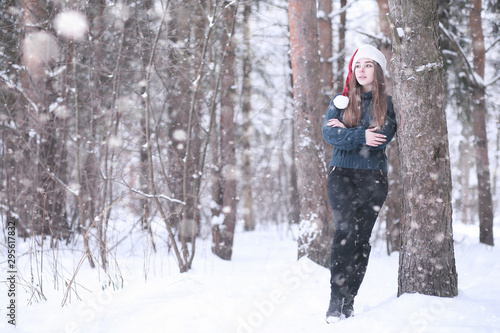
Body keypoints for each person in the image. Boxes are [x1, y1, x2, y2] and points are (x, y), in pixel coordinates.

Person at [322, 44, 397, 323]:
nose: (362, 70)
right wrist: (361, 136)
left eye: (368, 65)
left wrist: (349, 133)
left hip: (373, 177)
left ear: (377, 71)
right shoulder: (340, 101)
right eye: (357, 66)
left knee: (361, 241)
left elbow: (382, 137)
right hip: (341, 172)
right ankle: (335, 299)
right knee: (344, 231)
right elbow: (328, 134)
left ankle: (349, 300)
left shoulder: (387, 104)